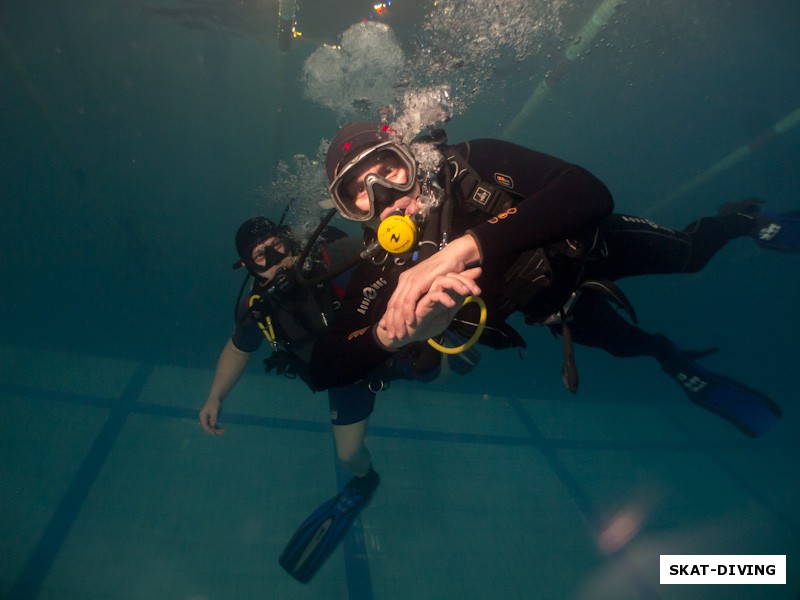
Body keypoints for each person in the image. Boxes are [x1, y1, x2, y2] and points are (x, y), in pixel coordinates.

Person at [308, 120, 794, 437]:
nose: (385, 194)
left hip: (593, 246)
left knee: (690, 255)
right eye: (360, 192)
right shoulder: (383, 268)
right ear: (353, 211)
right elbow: (325, 368)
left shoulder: (474, 164)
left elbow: (588, 192)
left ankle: (743, 220)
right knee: (629, 344)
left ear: (412, 160)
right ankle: (674, 361)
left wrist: (459, 250)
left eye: (389, 169)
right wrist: (392, 336)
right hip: (556, 306)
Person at [198, 216, 381, 582]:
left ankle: (447, 360)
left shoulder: (329, 258)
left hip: (381, 338)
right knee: (348, 455)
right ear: (248, 268)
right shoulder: (256, 306)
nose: (272, 258)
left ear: (288, 239)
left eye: (276, 245)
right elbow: (238, 349)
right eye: (259, 256)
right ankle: (366, 481)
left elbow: (381, 256)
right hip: (345, 376)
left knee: (427, 365)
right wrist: (215, 396)